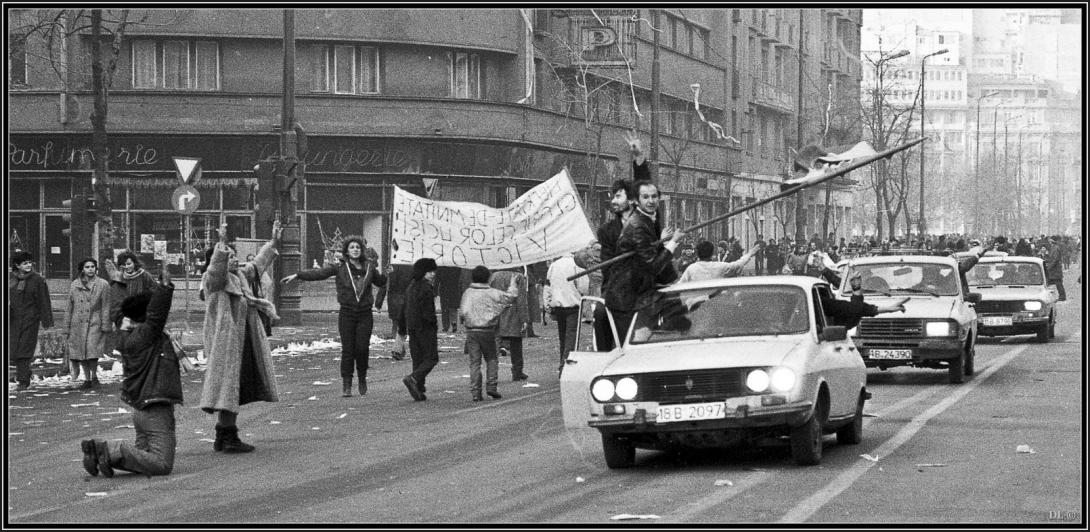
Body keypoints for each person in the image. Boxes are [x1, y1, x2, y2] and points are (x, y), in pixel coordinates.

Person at [81, 267, 182, 478]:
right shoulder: (147, 334)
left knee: (143, 456)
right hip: (155, 408)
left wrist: (118, 283)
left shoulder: (126, 333)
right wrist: (165, 288)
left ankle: (103, 455)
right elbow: (156, 314)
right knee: (162, 464)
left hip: (140, 409)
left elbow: (119, 308)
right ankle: (110, 450)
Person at [200, 221, 282, 453]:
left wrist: (273, 242)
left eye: (235, 256)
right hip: (225, 344)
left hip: (243, 341)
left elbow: (258, 265)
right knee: (228, 386)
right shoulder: (214, 279)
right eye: (231, 257)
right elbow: (216, 269)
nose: (235, 259)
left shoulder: (240, 276)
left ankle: (225, 434)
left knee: (236, 386)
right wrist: (222, 244)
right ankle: (227, 436)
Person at [283, 235, 387, 397]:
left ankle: (362, 377)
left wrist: (389, 273)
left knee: (362, 348)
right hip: (347, 313)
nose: (355, 250)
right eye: (352, 247)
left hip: (365, 314)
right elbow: (319, 273)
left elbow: (380, 282)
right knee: (348, 349)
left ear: (362, 250)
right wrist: (298, 275)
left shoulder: (369, 267)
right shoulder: (340, 267)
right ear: (346, 250)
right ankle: (347, 383)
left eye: (358, 247)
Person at [602, 179, 685, 345]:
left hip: (636, 296)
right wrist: (673, 242)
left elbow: (646, 255)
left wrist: (660, 242)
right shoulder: (639, 224)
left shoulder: (645, 220)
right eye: (645, 197)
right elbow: (652, 266)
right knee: (628, 349)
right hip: (626, 299)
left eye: (654, 196)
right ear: (636, 200)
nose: (651, 201)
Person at [459, 266, 520, 401]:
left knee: (474, 362)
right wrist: (513, 283)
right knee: (492, 359)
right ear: (488, 278)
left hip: (471, 330)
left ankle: (476, 392)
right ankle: (491, 386)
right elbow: (511, 297)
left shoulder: (468, 293)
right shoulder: (492, 293)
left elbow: (463, 311)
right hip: (488, 330)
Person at [64, 258, 111, 389]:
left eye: (92, 267)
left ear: (96, 269)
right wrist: (66, 327)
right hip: (77, 322)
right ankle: (87, 378)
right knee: (81, 352)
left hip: (94, 321)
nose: (90, 269)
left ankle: (94, 376)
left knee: (92, 350)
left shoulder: (103, 284)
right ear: (82, 269)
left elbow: (106, 305)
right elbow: (69, 307)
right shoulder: (74, 284)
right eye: (87, 267)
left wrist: (105, 323)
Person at [8, 251, 52, 391]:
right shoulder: (11, 279)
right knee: (14, 351)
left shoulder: (37, 280)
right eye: (24, 263)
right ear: (17, 265)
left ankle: (23, 380)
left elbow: (43, 301)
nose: (28, 265)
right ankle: (25, 373)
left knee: (24, 350)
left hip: (30, 319)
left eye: (29, 263)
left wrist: (46, 321)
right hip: (13, 320)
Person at [544, 252, 589, 375]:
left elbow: (547, 286)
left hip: (558, 306)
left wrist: (547, 304)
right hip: (573, 305)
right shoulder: (577, 264)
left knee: (563, 337)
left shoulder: (554, 265)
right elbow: (583, 286)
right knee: (571, 336)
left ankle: (562, 363)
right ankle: (566, 366)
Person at [401, 258, 439, 401]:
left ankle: (418, 388)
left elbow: (404, 308)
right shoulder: (426, 287)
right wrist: (433, 324)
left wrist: (402, 327)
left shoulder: (411, 286)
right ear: (423, 272)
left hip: (412, 327)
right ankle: (414, 378)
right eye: (430, 271)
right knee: (431, 358)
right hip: (425, 327)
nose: (433, 274)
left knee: (418, 359)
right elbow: (428, 311)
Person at [490, 267, 530, 381]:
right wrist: (524, 319)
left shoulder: (494, 276)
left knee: (495, 344)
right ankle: (517, 371)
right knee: (516, 343)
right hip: (514, 313)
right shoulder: (518, 277)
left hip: (497, 312)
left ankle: (492, 373)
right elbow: (522, 299)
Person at [677, 241, 762, 284]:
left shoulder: (691, 269)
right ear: (711, 253)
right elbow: (738, 264)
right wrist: (750, 253)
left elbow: (679, 286)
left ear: (698, 253)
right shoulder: (720, 266)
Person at [377, 263, 412, 360]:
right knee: (404, 327)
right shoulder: (411, 267)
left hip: (393, 300)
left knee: (398, 325)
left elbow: (384, 285)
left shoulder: (392, 267)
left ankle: (398, 349)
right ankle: (397, 349)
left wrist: (378, 302)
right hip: (406, 299)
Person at [436, 266, 463, 333]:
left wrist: (435, 291)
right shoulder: (457, 267)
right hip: (454, 288)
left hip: (444, 289)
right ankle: (454, 323)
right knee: (453, 307)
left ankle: (446, 326)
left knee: (445, 308)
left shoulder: (441, 267)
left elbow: (437, 279)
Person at [1043, 236, 1067, 301]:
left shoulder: (1055, 248)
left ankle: (1062, 296)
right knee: (1056, 283)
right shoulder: (1053, 248)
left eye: (1050, 241)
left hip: (1055, 269)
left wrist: (1049, 267)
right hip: (1054, 269)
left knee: (1058, 283)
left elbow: (1055, 259)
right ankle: (1061, 296)